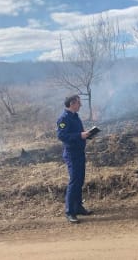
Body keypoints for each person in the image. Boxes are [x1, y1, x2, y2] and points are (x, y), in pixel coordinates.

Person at [57, 94, 93, 223]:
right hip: (72, 154)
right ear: (72, 103)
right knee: (74, 181)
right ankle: (69, 212)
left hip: (79, 152)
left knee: (80, 180)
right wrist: (79, 135)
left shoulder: (75, 116)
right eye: (78, 103)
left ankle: (78, 207)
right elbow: (61, 136)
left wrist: (87, 135)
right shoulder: (63, 119)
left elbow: (78, 133)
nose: (80, 105)